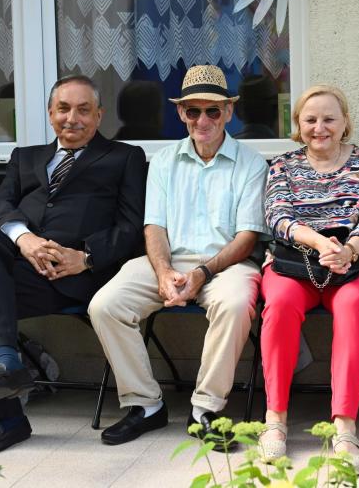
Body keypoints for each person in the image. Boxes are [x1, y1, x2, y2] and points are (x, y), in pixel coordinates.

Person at [0, 75, 146, 457]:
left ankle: (5, 417)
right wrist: (25, 240)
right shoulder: (26, 157)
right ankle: (8, 366)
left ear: (99, 115)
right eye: (63, 109)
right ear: (50, 113)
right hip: (21, 263)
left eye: (83, 110)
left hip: (75, 275)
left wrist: (84, 258)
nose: (72, 118)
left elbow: (131, 226)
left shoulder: (124, 157)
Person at [88, 65, 269, 446]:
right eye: (193, 111)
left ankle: (205, 410)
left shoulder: (252, 163)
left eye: (213, 110)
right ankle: (145, 405)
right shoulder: (164, 161)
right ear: (181, 112)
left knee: (236, 304)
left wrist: (202, 273)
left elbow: (247, 238)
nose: (202, 120)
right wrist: (163, 272)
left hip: (227, 264)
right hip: (168, 261)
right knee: (106, 305)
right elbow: (154, 227)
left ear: (229, 112)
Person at [258, 84, 359, 474]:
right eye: (311, 120)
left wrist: (348, 249)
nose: (320, 128)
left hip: (354, 265)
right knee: (280, 304)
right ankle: (275, 420)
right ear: (298, 124)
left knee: (352, 305)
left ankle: (345, 427)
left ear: (345, 122)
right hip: (294, 264)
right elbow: (277, 216)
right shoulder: (283, 165)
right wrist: (320, 243)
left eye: (329, 119)